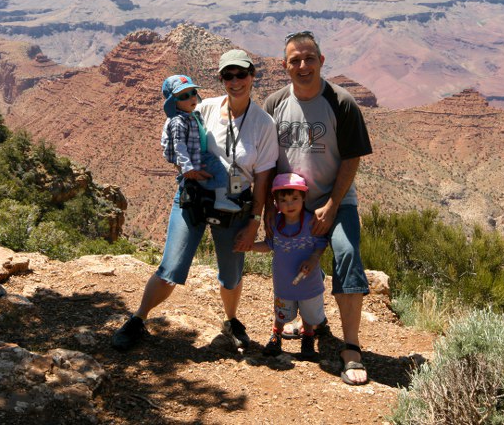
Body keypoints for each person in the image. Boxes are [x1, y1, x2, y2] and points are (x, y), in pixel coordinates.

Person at [112, 49, 278, 352]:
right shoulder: (206, 108)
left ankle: (231, 320)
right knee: (170, 268)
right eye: (228, 75)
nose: (235, 81)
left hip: (234, 205)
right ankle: (138, 318)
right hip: (193, 198)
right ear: (221, 79)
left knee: (231, 274)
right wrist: (183, 166)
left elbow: (264, 179)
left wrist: (254, 221)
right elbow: (177, 138)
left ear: (253, 76)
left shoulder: (263, 124)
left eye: (241, 74)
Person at [263, 31, 373, 386]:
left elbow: (352, 158)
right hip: (291, 204)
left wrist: (332, 204)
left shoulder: (341, 102)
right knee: (295, 262)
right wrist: (267, 210)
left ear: (322, 61)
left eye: (309, 58)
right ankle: (313, 320)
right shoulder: (274, 104)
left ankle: (351, 347)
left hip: (333, 201)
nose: (303, 65)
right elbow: (266, 163)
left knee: (345, 255)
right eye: (295, 60)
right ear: (284, 66)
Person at [250, 172, 328, 359]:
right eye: (283, 200)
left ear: (303, 198)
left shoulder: (311, 221)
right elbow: (269, 245)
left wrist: (312, 259)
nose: (289, 204)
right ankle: (276, 334)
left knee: (309, 313)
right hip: (283, 283)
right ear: (276, 202)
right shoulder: (275, 223)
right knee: (282, 311)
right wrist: (249, 246)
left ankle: (307, 337)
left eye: (294, 198)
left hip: (309, 283)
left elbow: (321, 243)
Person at [160, 74, 241, 213]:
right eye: (184, 96)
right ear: (173, 102)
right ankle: (221, 199)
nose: (192, 98)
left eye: (193, 92)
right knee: (221, 171)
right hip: (197, 158)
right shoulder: (178, 122)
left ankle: (203, 187)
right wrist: (187, 167)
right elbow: (179, 146)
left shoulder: (192, 115)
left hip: (198, 156)